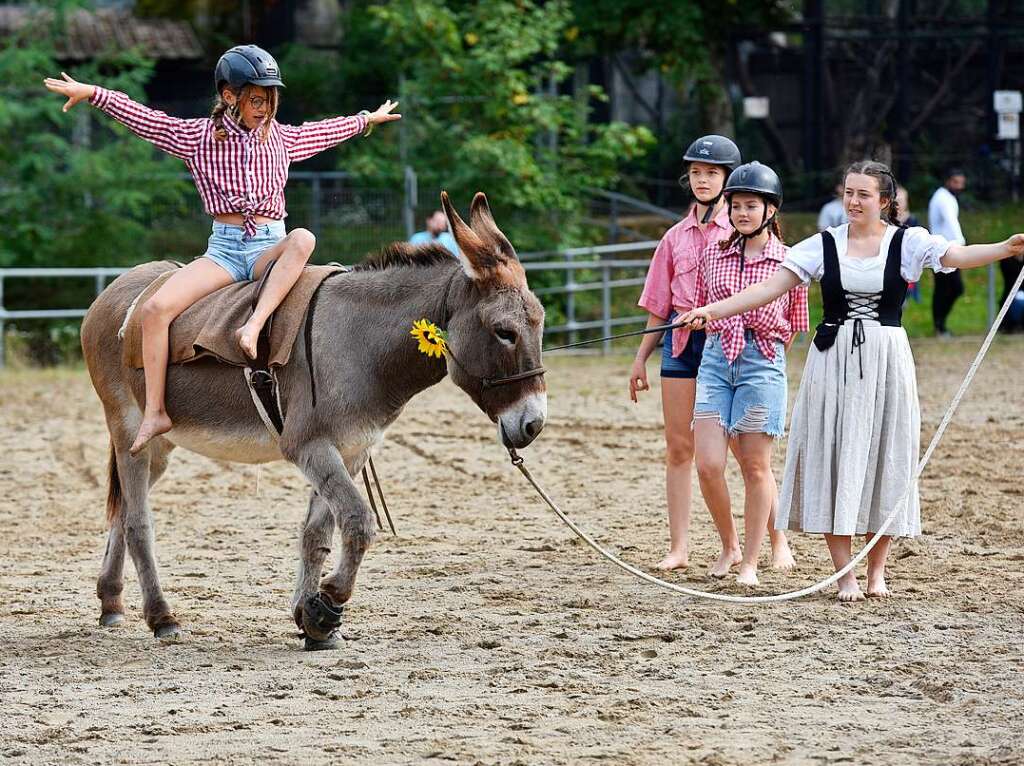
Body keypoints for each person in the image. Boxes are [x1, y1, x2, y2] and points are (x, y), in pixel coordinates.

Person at [680, 160, 1024, 601]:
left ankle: (876, 571)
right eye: (848, 192)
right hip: (834, 359)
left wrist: (1006, 247)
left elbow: (956, 256)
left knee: (886, 456)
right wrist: (715, 309)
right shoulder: (820, 245)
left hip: (886, 359)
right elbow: (768, 288)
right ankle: (844, 575)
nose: (854, 201)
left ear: (885, 201)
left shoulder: (909, 242)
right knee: (833, 455)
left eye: (864, 194)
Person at [45, 46, 401, 454]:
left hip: (270, 246)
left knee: (303, 239)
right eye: (255, 99)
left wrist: (365, 121)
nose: (264, 108)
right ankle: (156, 412)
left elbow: (325, 131)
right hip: (226, 252)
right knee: (154, 311)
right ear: (229, 96)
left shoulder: (282, 139)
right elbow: (144, 119)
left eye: (269, 100)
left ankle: (253, 326)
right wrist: (93, 93)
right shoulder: (196, 138)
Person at [688, 162, 805, 585]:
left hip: (762, 361)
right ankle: (729, 545)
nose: (741, 212)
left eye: (751, 205)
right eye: (735, 205)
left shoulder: (790, 262)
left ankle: (752, 561)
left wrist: (761, 349)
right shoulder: (712, 253)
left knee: (756, 467)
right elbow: (703, 303)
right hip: (716, 361)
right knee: (708, 464)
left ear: (770, 210)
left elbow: (794, 324)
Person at [630, 135, 741, 571]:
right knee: (679, 448)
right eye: (696, 172)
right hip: (678, 345)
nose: (702, 179)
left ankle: (773, 536)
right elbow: (658, 306)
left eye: (711, 172)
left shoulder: (740, 233)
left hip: (725, 345)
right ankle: (679, 547)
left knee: (740, 453)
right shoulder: (673, 239)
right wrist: (640, 357)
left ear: (728, 179)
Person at [928, 168, 967, 336]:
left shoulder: (945, 197)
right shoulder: (944, 198)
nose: (959, 186)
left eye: (961, 183)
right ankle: (939, 325)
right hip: (944, 251)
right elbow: (951, 222)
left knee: (948, 288)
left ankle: (940, 324)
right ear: (948, 181)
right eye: (956, 182)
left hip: (946, 248)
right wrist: (962, 244)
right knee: (949, 288)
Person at [896, 186, 921, 302]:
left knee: (907, 291)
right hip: (894, 260)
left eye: (901, 201)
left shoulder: (912, 220)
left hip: (908, 260)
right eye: (896, 201)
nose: (899, 205)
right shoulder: (887, 221)